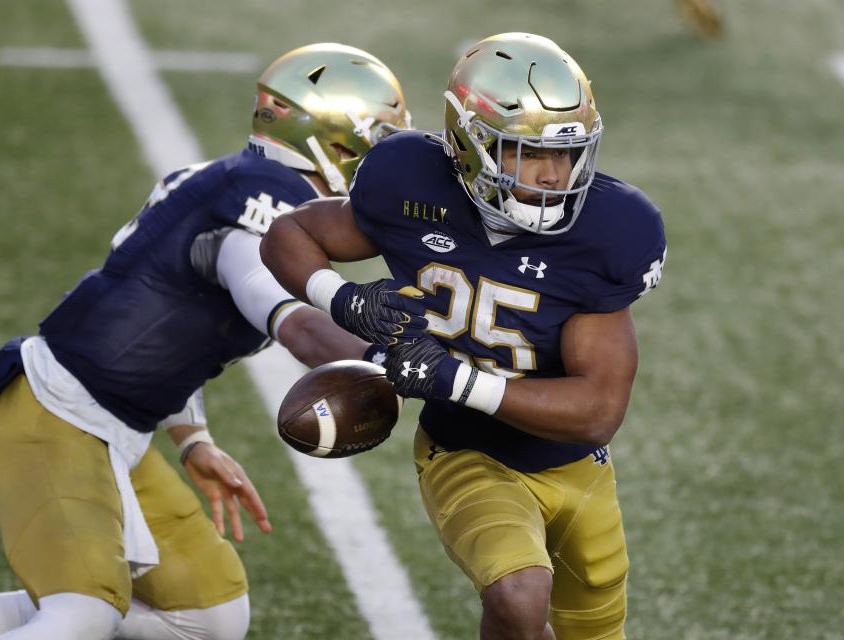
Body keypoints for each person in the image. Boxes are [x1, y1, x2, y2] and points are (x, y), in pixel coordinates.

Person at [0, 43, 409, 640]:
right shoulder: (268, 206)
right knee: (84, 613)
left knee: (210, 616)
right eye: (377, 143)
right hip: (57, 411)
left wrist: (194, 438)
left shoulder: (230, 181)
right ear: (334, 141)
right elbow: (296, 323)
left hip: (110, 425)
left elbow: (161, 324)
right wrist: (400, 361)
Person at [261, 33, 667, 640]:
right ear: (468, 144)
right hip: (464, 451)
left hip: (576, 465)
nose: (555, 175)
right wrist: (343, 299)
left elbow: (597, 413)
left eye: (568, 153)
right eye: (526, 153)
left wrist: (455, 378)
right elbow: (287, 235)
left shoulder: (612, 231)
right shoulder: (408, 182)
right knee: (518, 592)